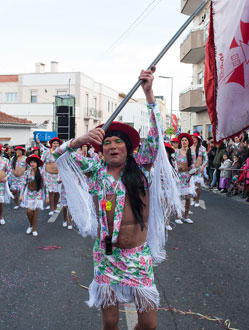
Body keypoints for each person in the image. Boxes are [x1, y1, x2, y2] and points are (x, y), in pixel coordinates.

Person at [52, 69, 179, 330]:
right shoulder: (95, 171)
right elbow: (58, 156)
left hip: (138, 256)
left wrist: (148, 93)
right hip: (106, 256)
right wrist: (81, 140)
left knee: (149, 325)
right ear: (101, 149)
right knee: (110, 325)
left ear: (128, 148)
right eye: (106, 142)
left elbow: (156, 137)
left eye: (118, 142)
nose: (112, 146)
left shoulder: (141, 167)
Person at [21, 155, 45, 236]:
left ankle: (34, 229)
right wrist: (21, 195)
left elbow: (46, 185)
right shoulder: (27, 172)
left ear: (37, 163)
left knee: (35, 211)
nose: (33, 164)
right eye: (31, 162)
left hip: (38, 193)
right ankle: (31, 225)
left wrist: (48, 196)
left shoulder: (41, 172)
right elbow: (23, 184)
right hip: (29, 193)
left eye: (34, 162)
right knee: (28, 211)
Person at [174, 133, 196, 224]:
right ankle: (178, 216)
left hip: (187, 177)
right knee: (177, 196)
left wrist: (192, 171)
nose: (184, 142)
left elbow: (193, 166)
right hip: (178, 176)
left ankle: (186, 216)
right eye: (182, 140)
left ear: (188, 142)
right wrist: (177, 168)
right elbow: (172, 164)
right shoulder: (176, 152)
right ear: (180, 142)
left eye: (186, 140)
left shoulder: (192, 153)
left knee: (187, 197)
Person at [42, 137, 62, 216]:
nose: (55, 144)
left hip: (59, 175)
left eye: (57, 143)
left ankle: (55, 207)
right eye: (54, 143)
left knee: (57, 192)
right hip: (49, 175)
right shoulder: (46, 152)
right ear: (51, 144)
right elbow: (41, 162)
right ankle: (51, 208)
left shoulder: (61, 153)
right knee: (51, 192)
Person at [190, 133, 207, 207]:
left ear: (198, 139)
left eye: (194, 138)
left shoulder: (202, 148)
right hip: (191, 169)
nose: (193, 139)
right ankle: (193, 199)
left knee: (198, 185)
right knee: (192, 185)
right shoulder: (189, 148)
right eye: (192, 138)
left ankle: (197, 200)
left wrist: (202, 166)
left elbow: (206, 159)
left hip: (199, 169)